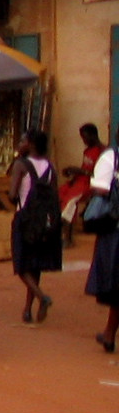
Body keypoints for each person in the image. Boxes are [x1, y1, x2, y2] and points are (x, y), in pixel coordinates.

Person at [8, 129, 62, 323]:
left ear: (30, 144)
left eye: (23, 140)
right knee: (35, 265)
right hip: (43, 222)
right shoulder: (49, 166)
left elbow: (12, 194)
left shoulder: (21, 165)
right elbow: (54, 195)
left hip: (24, 219)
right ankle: (28, 309)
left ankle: (41, 297)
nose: (20, 143)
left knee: (21, 265)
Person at [86, 129, 119, 353]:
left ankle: (109, 333)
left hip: (114, 229)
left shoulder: (110, 158)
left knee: (115, 283)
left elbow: (99, 188)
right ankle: (109, 332)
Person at [59, 122, 103, 245]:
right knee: (61, 194)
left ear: (93, 135)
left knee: (70, 201)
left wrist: (80, 171)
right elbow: (84, 169)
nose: (83, 140)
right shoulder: (87, 151)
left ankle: (67, 238)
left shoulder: (101, 151)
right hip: (80, 182)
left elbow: (97, 173)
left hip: (90, 184)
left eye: (85, 137)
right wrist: (73, 176)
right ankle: (66, 234)